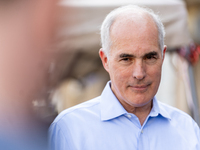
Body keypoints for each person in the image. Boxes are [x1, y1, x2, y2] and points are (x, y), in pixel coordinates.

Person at [49, 5, 200, 150]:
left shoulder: (187, 129)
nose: (139, 73)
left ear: (163, 56)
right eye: (126, 59)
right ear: (105, 60)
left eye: (149, 57)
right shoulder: (70, 129)